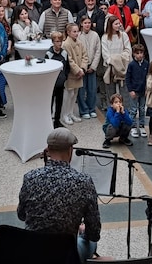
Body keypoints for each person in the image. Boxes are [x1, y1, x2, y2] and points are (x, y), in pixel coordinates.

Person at [17, 128, 102, 261]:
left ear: (48, 150)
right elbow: (94, 233)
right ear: (70, 150)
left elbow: (21, 215)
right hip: (65, 255)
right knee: (89, 242)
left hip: (34, 252)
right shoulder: (84, 181)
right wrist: (79, 228)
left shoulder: (30, 177)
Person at [101, 16, 132, 105]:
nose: (118, 25)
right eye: (116, 24)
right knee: (111, 92)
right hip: (110, 68)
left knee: (124, 91)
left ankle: (125, 112)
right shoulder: (105, 37)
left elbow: (128, 50)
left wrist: (120, 60)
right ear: (110, 25)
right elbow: (105, 54)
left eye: (119, 23)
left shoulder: (123, 35)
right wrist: (114, 61)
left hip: (123, 67)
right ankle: (112, 112)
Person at [61, 23, 87, 126]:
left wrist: (83, 68)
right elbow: (69, 60)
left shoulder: (80, 43)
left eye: (77, 31)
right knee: (68, 93)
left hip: (80, 71)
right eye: (74, 31)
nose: (76, 33)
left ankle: (71, 113)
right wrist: (77, 70)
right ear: (68, 32)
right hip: (71, 73)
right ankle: (65, 114)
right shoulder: (66, 44)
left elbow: (85, 56)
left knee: (75, 93)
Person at [77, 15, 101, 119]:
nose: (87, 25)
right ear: (81, 24)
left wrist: (93, 66)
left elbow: (98, 51)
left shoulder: (95, 35)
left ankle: (91, 108)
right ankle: (83, 110)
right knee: (81, 90)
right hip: (82, 67)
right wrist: (82, 67)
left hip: (92, 66)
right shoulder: (78, 35)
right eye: (85, 23)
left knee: (92, 89)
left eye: (89, 23)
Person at [46, 30, 70, 129]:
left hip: (61, 82)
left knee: (59, 102)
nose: (59, 43)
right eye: (57, 41)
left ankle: (57, 121)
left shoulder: (64, 53)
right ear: (52, 42)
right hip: (52, 84)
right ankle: (48, 121)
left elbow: (67, 66)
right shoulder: (49, 54)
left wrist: (65, 77)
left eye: (60, 41)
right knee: (50, 103)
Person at [125, 44, 149, 139]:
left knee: (142, 109)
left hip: (143, 91)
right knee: (133, 110)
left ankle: (142, 125)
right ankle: (133, 126)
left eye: (141, 53)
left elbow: (148, 77)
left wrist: (147, 88)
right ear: (134, 54)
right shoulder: (131, 65)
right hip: (134, 91)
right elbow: (128, 78)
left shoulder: (146, 64)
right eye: (137, 53)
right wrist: (130, 90)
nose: (139, 55)